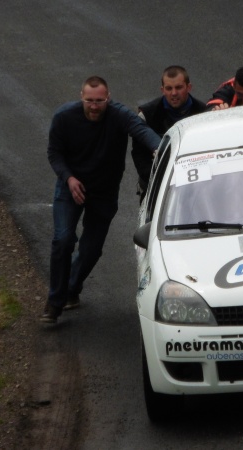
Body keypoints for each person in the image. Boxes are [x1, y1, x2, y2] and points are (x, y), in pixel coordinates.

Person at [44, 76, 161, 323]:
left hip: (104, 191)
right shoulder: (64, 117)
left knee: (91, 249)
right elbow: (54, 153)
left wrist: (159, 148)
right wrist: (69, 178)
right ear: (81, 97)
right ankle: (54, 303)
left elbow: (141, 130)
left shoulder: (118, 115)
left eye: (100, 101)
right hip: (71, 186)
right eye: (89, 101)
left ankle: (71, 289)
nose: (94, 106)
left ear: (108, 98)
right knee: (63, 239)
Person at [131, 66, 207, 203]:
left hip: (195, 186)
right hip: (155, 188)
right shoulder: (147, 115)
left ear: (189, 87)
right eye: (169, 88)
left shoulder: (204, 114)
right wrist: (158, 180)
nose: (173, 93)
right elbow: (138, 155)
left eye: (179, 87)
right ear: (162, 90)